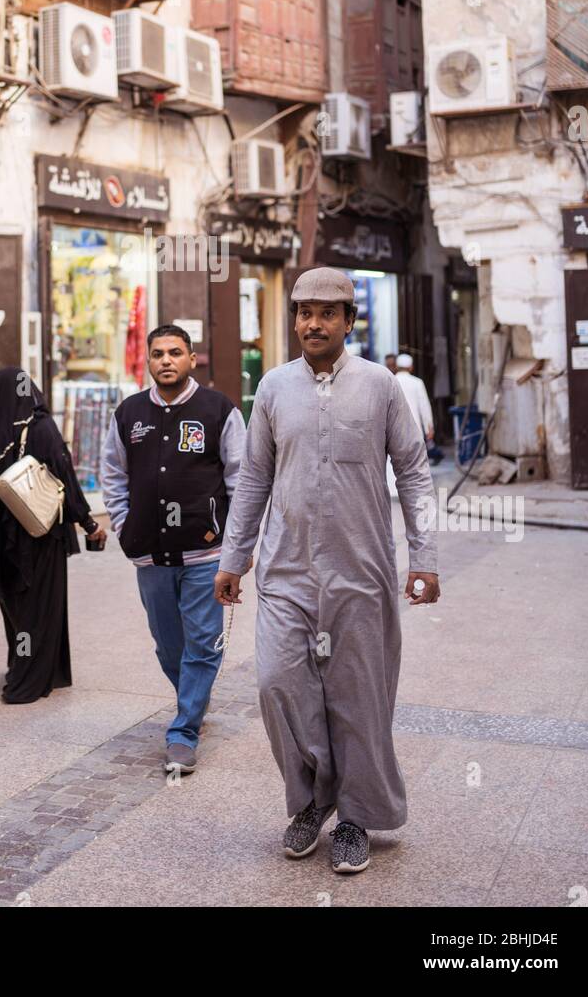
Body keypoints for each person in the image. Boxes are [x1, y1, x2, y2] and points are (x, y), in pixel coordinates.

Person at [214, 267, 440, 874]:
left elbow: (415, 474)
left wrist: (425, 559)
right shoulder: (272, 388)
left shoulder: (381, 386)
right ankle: (312, 799)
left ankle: (358, 817)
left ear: (349, 321)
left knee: (358, 698)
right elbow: (255, 476)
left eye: (326, 313)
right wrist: (235, 558)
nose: (312, 323)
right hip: (286, 570)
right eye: (303, 312)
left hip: (361, 570)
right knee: (278, 684)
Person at [101, 324, 246, 775]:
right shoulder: (129, 413)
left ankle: (183, 730)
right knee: (168, 646)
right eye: (158, 353)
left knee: (202, 644)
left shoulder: (218, 410)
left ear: (192, 359)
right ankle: (194, 702)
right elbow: (112, 473)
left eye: (175, 353)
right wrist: (125, 526)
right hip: (150, 553)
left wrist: (238, 547)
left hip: (205, 553)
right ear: (148, 360)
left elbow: (242, 480)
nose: (166, 360)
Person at [0, 366, 105, 703]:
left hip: (4, 539)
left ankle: (24, 666)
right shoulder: (42, 429)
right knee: (41, 607)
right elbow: (65, 480)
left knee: (17, 608)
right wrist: (88, 523)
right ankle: (30, 680)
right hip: (40, 535)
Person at [394, 353, 435, 445]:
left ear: (396, 367)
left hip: (394, 428)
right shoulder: (417, 383)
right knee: (414, 457)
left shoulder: (391, 381)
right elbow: (424, 407)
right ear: (411, 367)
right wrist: (429, 428)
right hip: (414, 428)